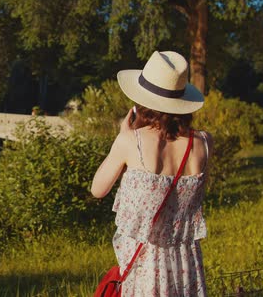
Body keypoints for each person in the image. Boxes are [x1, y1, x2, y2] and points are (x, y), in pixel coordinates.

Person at [91, 51, 212, 296]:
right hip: (185, 265)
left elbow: (98, 189)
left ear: (140, 104)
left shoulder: (131, 141)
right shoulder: (203, 142)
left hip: (144, 265)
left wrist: (122, 135)